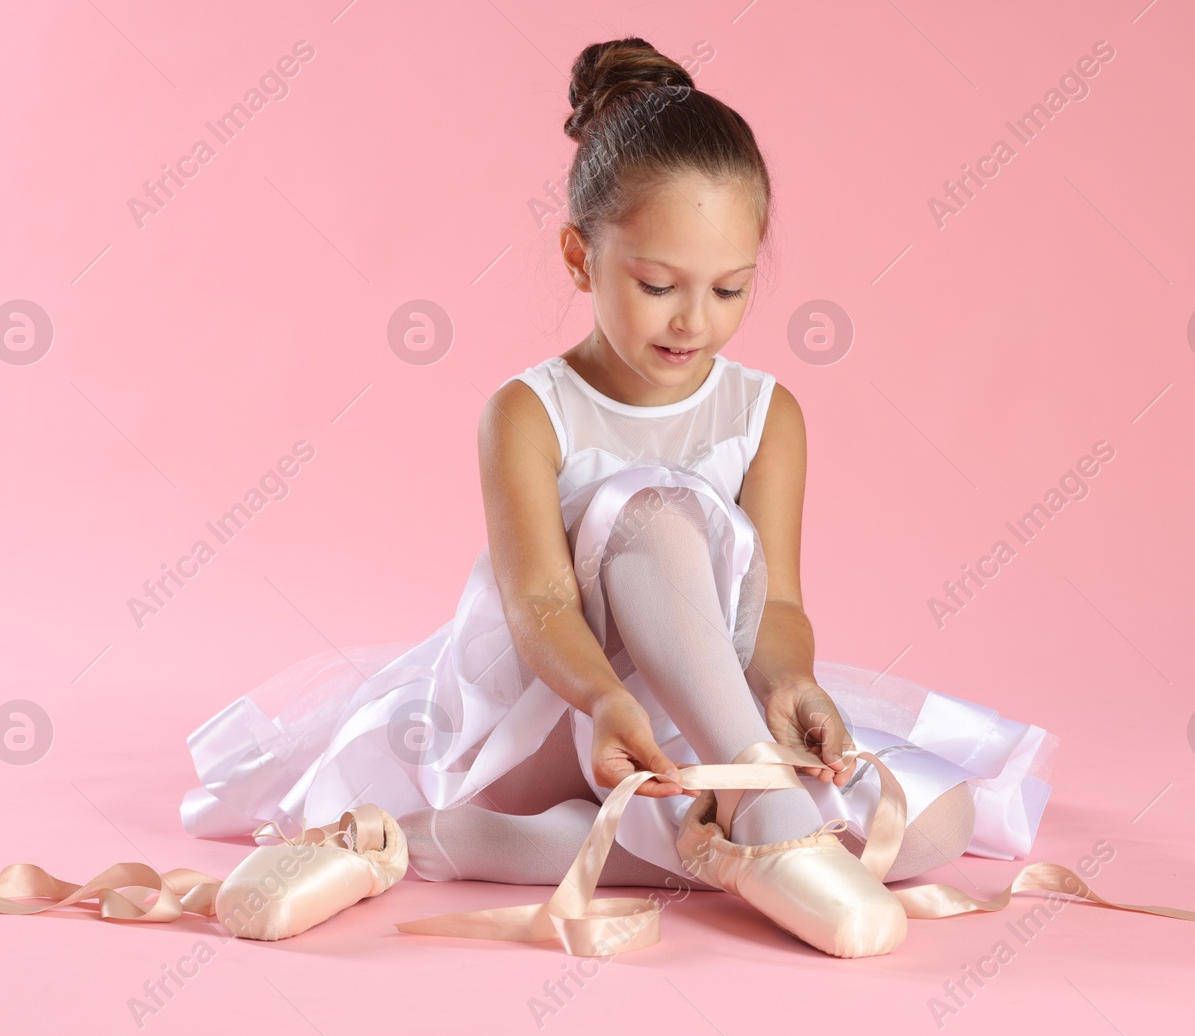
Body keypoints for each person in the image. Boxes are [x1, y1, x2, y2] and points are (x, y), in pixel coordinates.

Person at [180, 37, 1056, 917]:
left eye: (729, 290)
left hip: (701, 716)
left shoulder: (767, 415)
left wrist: (790, 680)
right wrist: (601, 698)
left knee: (941, 816)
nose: (693, 321)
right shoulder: (529, 413)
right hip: (562, 716)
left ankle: (498, 844)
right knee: (651, 502)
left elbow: (777, 606)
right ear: (578, 257)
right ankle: (771, 818)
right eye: (657, 284)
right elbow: (541, 606)